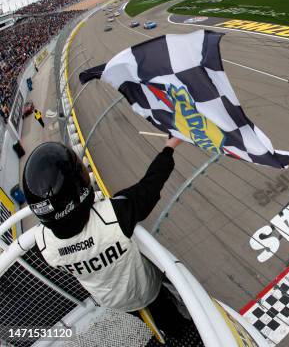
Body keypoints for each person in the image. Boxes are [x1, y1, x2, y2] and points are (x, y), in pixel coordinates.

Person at [23, 137, 191, 340]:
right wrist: (169, 147)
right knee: (169, 317)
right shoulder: (114, 216)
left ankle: (165, 334)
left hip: (111, 300)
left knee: (145, 318)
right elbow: (151, 184)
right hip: (146, 289)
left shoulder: (45, 246)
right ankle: (179, 334)